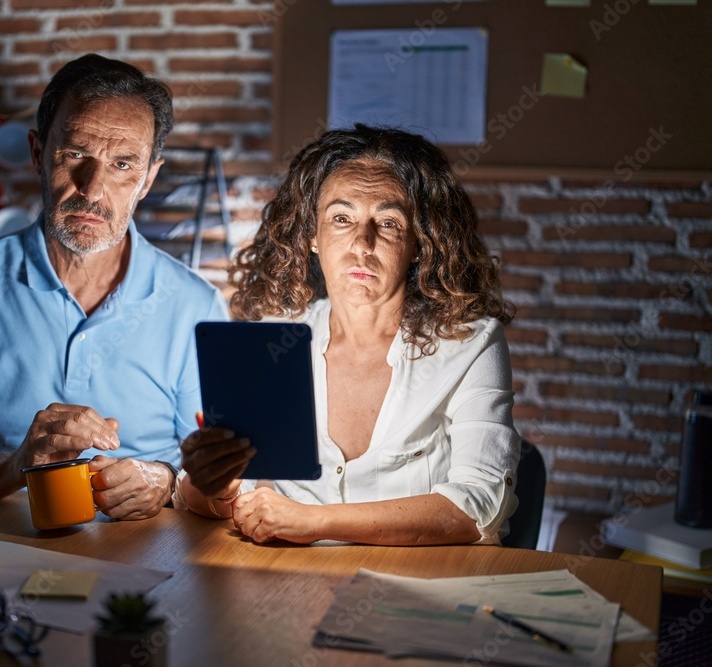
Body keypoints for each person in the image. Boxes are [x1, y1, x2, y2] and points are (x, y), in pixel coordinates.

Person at [0, 54, 227, 521]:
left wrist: (166, 483)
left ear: (148, 179)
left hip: (144, 559)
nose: (92, 188)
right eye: (74, 155)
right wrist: (13, 467)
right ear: (37, 153)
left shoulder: (196, 305)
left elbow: (221, 478)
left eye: (123, 164)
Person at [177, 125, 520, 546]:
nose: (362, 243)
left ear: (420, 243)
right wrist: (215, 485)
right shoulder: (273, 340)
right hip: (289, 591)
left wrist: (314, 521)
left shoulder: (471, 343)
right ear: (312, 236)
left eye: (389, 222)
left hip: (422, 593)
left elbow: (477, 506)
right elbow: (203, 498)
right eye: (342, 218)